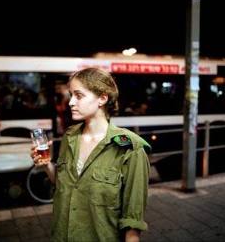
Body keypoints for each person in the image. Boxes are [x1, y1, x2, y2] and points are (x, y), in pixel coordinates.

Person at [30, 68, 151, 242]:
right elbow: (63, 184)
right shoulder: (69, 136)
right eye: (71, 95)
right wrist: (46, 165)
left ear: (102, 98)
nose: (71, 102)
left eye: (78, 96)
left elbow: (132, 222)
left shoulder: (130, 148)